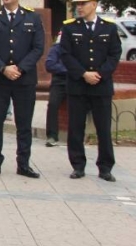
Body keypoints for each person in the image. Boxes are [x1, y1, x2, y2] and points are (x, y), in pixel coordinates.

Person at [0, 0, 44, 178]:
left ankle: (23, 164)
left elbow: (38, 48)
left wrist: (20, 68)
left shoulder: (32, 17)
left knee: (24, 124)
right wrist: (3, 68)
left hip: (24, 80)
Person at [60, 0, 121, 181]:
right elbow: (65, 54)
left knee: (103, 129)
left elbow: (114, 54)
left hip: (101, 86)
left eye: (83, 3)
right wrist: (83, 73)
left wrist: (100, 73)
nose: (79, 7)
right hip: (78, 85)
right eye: (77, 4)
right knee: (76, 128)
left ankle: (105, 167)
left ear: (94, 5)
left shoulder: (108, 28)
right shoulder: (70, 28)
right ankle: (78, 165)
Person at [43, 32, 66, 147]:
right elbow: (50, 65)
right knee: (52, 105)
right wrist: (69, 70)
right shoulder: (56, 49)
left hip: (76, 81)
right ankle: (52, 136)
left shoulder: (79, 48)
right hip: (59, 82)